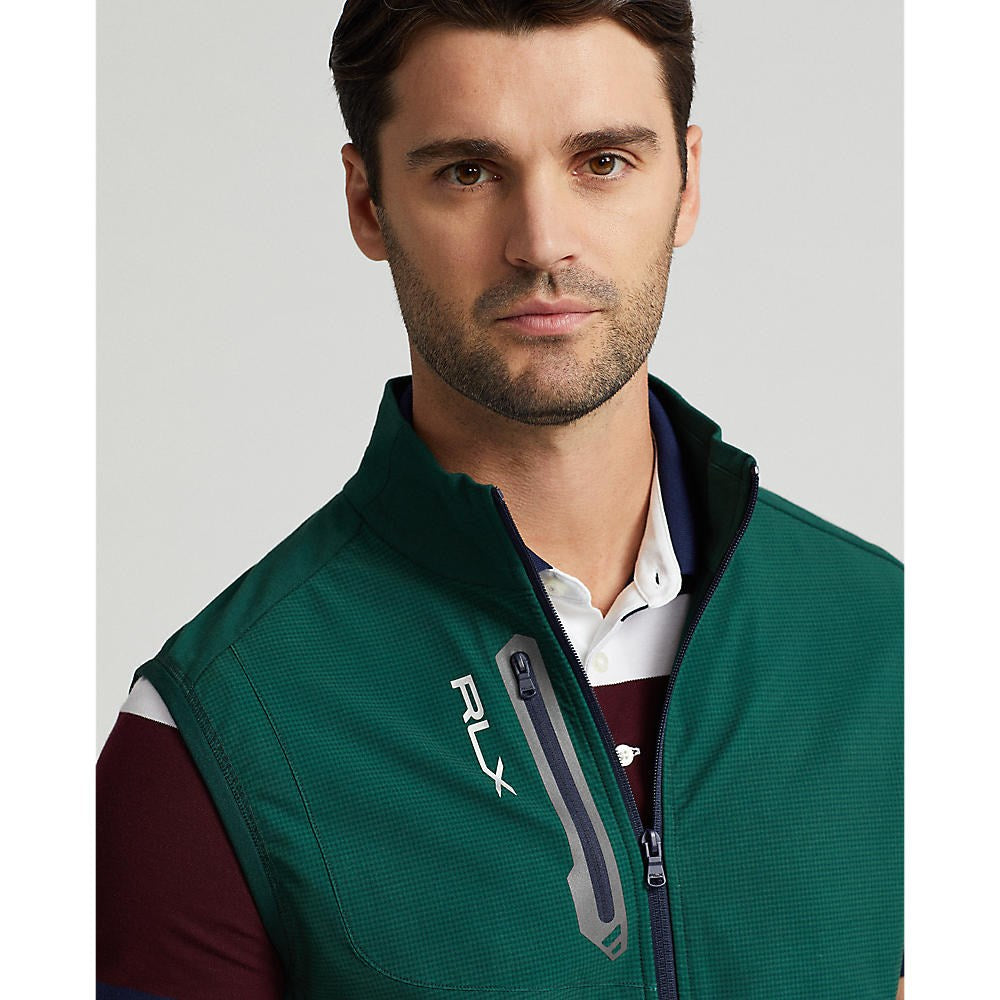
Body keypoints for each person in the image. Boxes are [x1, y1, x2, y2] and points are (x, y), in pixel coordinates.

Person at [97, 2, 903, 998]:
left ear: (686, 182)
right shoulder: (215, 729)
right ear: (367, 203)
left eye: (602, 161)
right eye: (468, 172)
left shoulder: (899, 652)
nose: (542, 242)